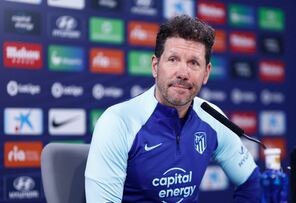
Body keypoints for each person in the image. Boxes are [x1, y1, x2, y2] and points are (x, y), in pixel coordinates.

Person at [85, 14, 260, 203]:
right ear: (155, 66)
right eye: (173, 59)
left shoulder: (213, 118)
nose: (183, 73)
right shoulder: (117, 122)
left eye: (193, 63)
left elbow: (251, 181)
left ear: (206, 73)